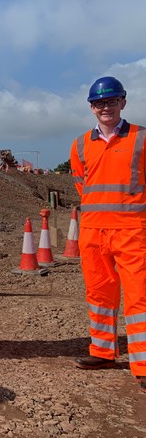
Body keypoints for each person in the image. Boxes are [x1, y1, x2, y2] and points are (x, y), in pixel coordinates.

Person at [70, 76, 146, 393]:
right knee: (100, 294)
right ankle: (102, 352)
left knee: (139, 296)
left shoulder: (141, 138)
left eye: (112, 101)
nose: (106, 107)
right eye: (100, 103)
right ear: (91, 108)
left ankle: (142, 364)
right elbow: (80, 183)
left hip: (131, 230)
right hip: (93, 231)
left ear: (123, 103)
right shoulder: (79, 144)